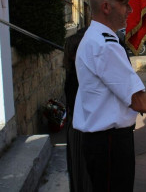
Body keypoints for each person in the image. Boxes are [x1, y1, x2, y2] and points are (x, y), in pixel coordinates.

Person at [73, 0, 146, 192]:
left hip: (102, 141)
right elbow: (136, 100)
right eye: (124, 4)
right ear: (106, 7)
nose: (130, 10)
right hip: (109, 143)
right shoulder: (105, 45)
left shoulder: (95, 37)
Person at [64, 27, 92, 192]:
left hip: (79, 126)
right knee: (83, 174)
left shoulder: (76, 72)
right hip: (80, 128)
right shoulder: (76, 75)